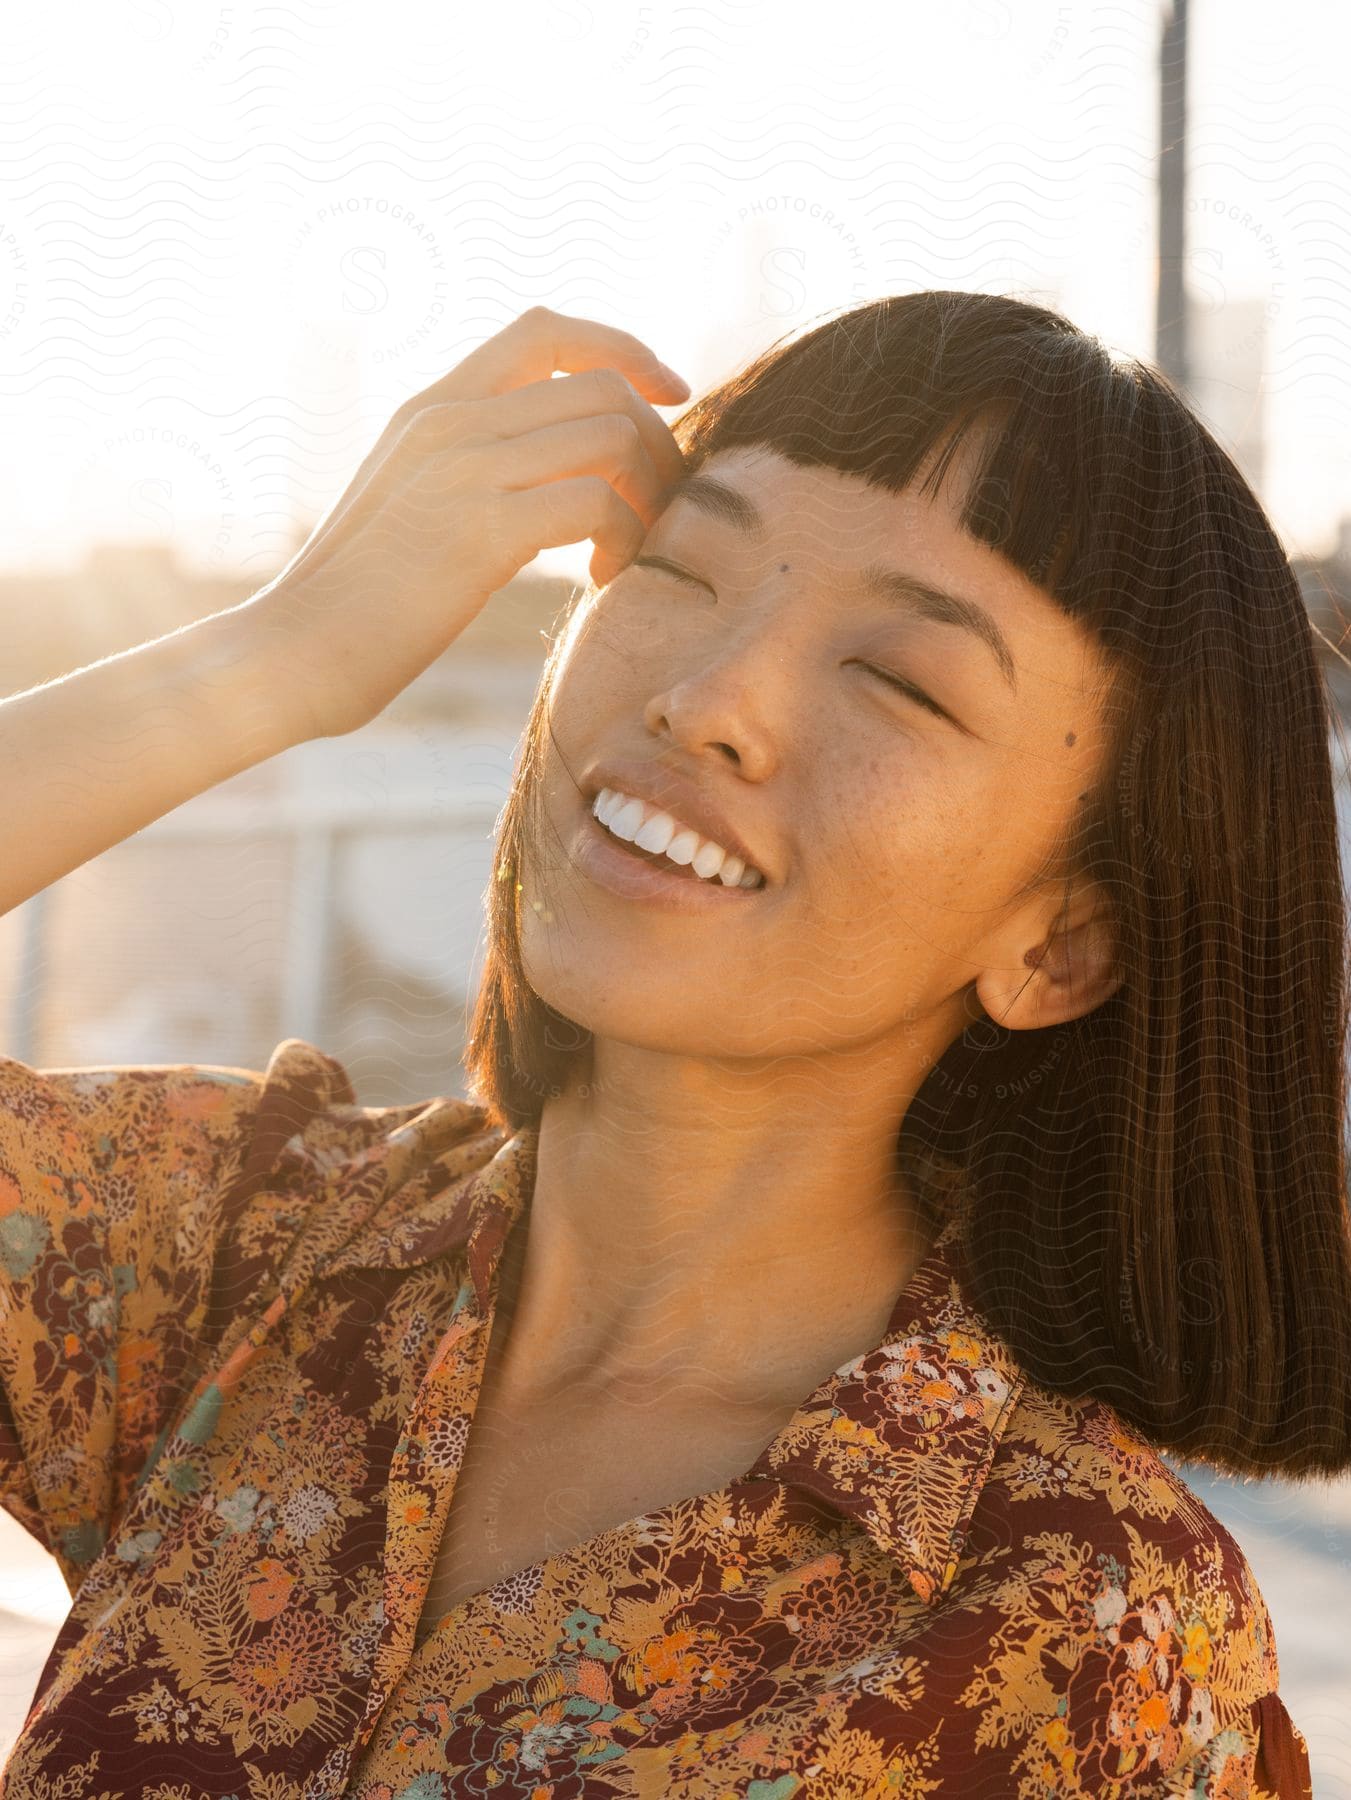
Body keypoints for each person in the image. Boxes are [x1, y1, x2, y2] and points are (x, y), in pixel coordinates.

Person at [0, 294, 1343, 1799]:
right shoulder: (240, 1250)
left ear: (1061, 945)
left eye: (898, 679)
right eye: (682, 566)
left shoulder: (1078, 1630)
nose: (706, 698)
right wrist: (283, 654)